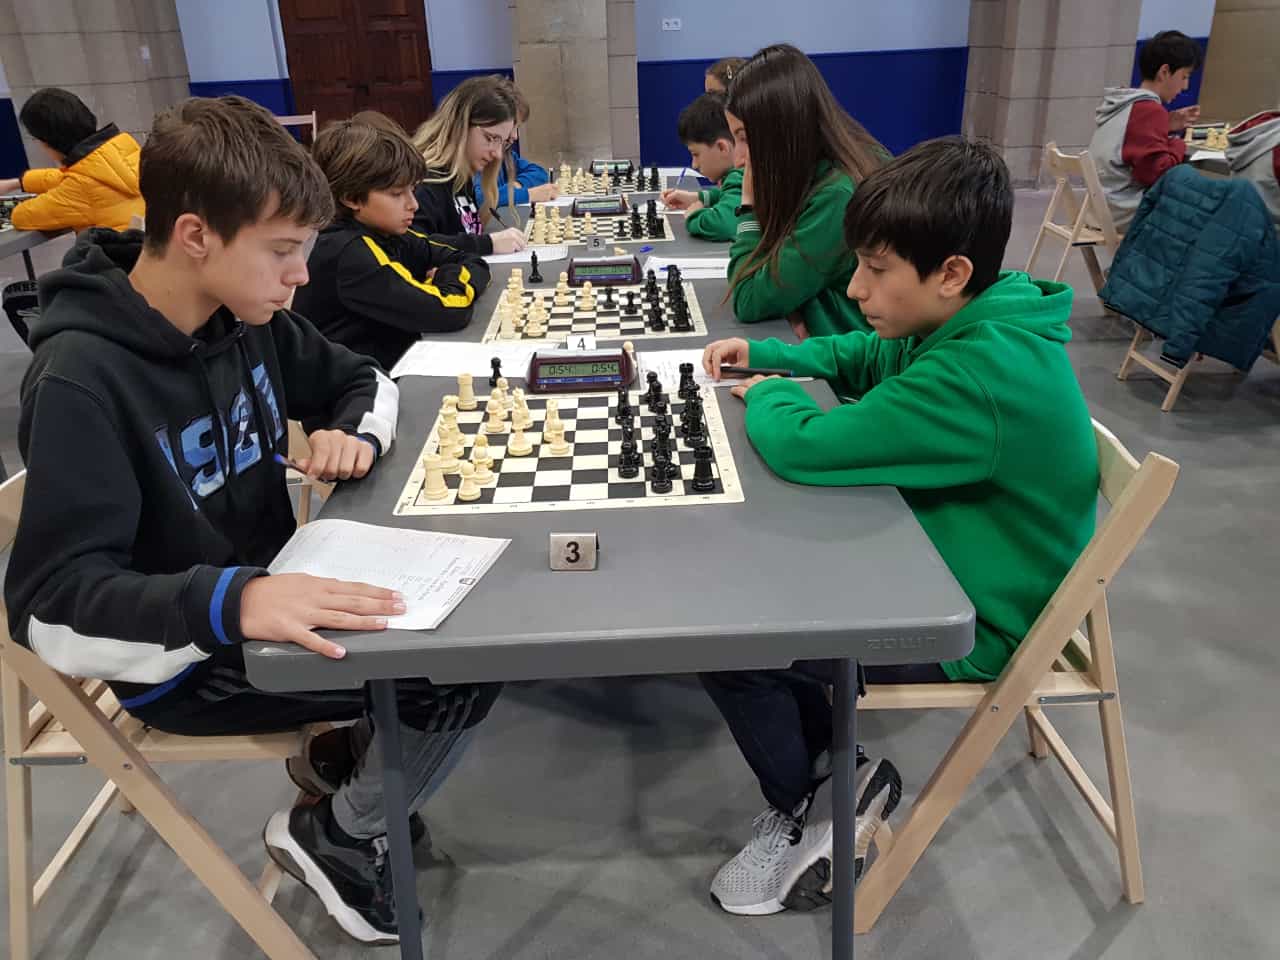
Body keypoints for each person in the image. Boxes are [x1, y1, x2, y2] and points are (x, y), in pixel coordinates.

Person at [2, 95, 499, 945]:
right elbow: (51, 607)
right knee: (462, 667)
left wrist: (350, 433)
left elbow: (364, 381)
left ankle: (352, 771)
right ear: (196, 235)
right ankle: (340, 834)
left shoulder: (241, 315)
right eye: (282, 250)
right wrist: (234, 601)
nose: (302, 274)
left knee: (473, 623)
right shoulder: (81, 380)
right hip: (182, 658)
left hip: (271, 592)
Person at [697, 138, 1098, 917]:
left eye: (876, 270)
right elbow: (873, 354)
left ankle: (815, 802)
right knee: (753, 598)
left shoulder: (977, 374)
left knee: (723, 637)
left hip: (973, 622)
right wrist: (778, 354)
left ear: (950, 273)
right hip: (942, 561)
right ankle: (835, 775)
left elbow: (809, 446)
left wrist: (769, 389)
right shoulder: (981, 315)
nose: (855, 288)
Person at [297, 111, 491, 371]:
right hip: (358, 388)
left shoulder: (388, 231)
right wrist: (446, 279)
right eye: (397, 194)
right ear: (351, 198)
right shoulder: (350, 252)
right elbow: (449, 310)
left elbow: (469, 259)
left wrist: (444, 277)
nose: (414, 204)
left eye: (412, 190)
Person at [725, 44, 888, 339]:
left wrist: (748, 206)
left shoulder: (838, 195)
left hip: (848, 359)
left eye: (745, 138)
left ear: (782, 130)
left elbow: (748, 298)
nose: (737, 160)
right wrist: (793, 305)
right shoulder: (833, 162)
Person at [1090, 30, 1203, 230]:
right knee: (1203, 213)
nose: (1185, 86)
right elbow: (1155, 173)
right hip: (1123, 213)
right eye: (1184, 76)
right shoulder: (1150, 110)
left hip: (1096, 207)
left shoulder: (1124, 103)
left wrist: (1166, 125)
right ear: (1164, 72)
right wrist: (1178, 143)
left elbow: (1129, 142)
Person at [0, 87, 143, 232]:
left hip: (120, 246)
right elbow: (78, 179)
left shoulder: (80, 188)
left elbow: (22, 217)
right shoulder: (125, 151)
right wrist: (17, 183)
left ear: (47, 141)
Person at [411, 75, 527, 254]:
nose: (497, 153)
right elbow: (414, 246)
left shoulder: (461, 178)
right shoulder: (427, 184)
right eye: (490, 138)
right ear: (460, 126)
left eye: (502, 142)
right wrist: (487, 244)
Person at [661, 92, 743, 242]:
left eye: (696, 154)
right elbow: (731, 194)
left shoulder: (739, 175)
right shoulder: (738, 177)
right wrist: (698, 197)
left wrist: (694, 216)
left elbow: (723, 225)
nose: (694, 165)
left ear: (722, 148)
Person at [475, 79, 559, 209]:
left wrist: (516, 186)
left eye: (517, 127)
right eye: (512, 127)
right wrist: (528, 194)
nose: (515, 136)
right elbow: (480, 199)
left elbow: (540, 173)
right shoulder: (477, 159)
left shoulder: (506, 155)